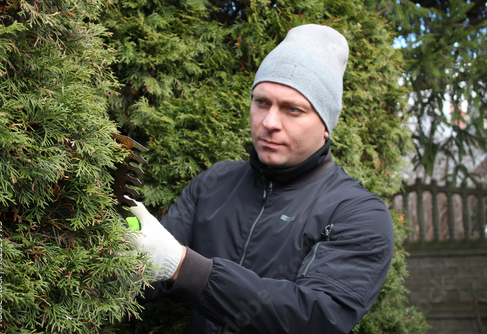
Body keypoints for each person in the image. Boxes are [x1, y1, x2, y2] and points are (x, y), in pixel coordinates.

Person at [129, 24, 394, 334]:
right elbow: (147, 279)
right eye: (262, 102)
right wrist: (125, 232)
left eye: (292, 109)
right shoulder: (214, 183)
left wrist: (185, 267)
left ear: (325, 124)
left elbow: (315, 319)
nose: (269, 122)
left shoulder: (358, 213)